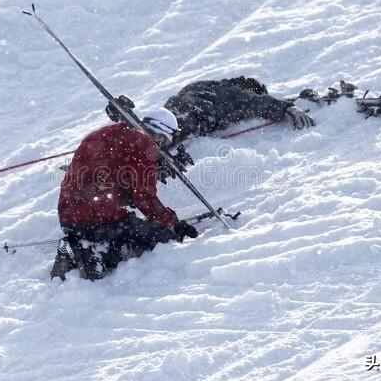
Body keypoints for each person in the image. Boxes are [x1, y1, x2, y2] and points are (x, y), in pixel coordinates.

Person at [51, 108, 199, 281]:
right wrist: (171, 223)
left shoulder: (112, 132)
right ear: (159, 133)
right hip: (98, 216)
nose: (160, 146)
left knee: (121, 230)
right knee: (157, 237)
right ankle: (83, 251)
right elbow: (143, 196)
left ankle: (82, 246)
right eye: (165, 141)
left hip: (71, 214)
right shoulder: (144, 144)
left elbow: (109, 178)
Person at [164, 76, 314, 145]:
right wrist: (288, 107)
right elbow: (255, 102)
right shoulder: (234, 95)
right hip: (191, 118)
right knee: (164, 141)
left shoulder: (205, 86)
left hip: (171, 112)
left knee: (157, 136)